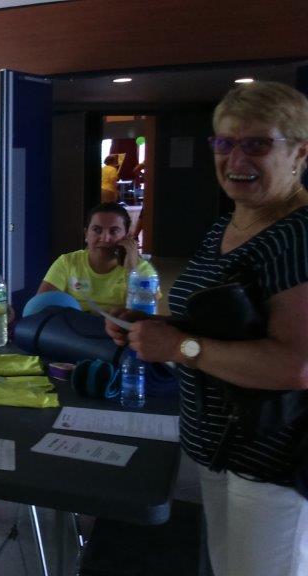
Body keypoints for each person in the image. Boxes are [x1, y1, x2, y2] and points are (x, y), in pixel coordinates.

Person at [105, 81, 308, 576]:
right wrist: (156, 326)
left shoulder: (298, 235)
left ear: (300, 152)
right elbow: (227, 324)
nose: (236, 158)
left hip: (274, 459)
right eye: (224, 142)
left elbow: (297, 364)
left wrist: (180, 346)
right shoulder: (227, 225)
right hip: (217, 448)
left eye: (257, 143)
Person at [37, 202, 156, 313]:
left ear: (127, 236)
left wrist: (133, 271)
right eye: (97, 230)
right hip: (73, 328)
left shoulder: (143, 271)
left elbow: (145, 318)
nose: (105, 238)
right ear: (86, 234)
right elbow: (40, 308)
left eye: (114, 231)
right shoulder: (67, 262)